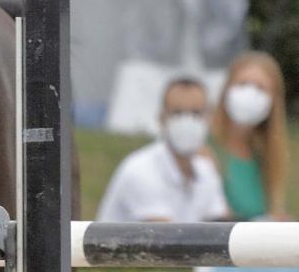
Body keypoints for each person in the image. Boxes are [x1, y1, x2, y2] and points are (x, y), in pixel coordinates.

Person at [97, 77, 230, 222]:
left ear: (209, 118)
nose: (187, 121)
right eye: (177, 113)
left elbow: (221, 227)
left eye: (196, 113)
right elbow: (165, 239)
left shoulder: (205, 170)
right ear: (161, 118)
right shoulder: (139, 170)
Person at [209, 51, 290, 220]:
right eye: (242, 83)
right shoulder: (205, 148)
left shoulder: (266, 158)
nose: (250, 93)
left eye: (261, 88)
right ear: (226, 89)